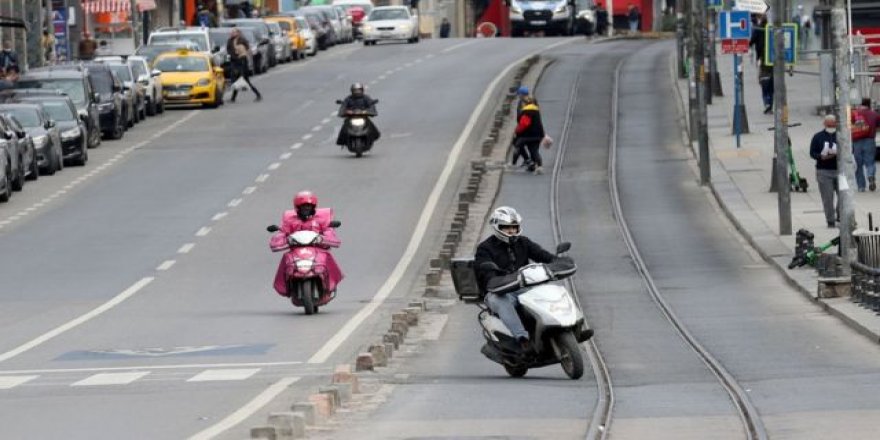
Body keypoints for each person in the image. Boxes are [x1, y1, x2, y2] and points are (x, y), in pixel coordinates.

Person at [474, 207, 559, 351]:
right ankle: (522, 339)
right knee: (500, 301)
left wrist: (558, 262)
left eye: (514, 227)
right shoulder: (485, 248)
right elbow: (486, 274)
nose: (512, 231)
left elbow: (543, 255)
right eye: (507, 228)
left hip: (524, 287)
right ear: (497, 227)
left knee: (551, 291)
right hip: (500, 291)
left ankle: (565, 326)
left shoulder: (523, 242)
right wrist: (496, 281)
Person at [271, 191, 344, 296]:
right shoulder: (290, 221)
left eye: (308, 206)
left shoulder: (321, 220)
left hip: (318, 249)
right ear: (297, 208)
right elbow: (282, 233)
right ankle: (286, 287)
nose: (306, 209)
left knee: (327, 256)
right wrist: (282, 239)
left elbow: (329, 232)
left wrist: (323, 238)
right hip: (295, 251)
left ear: (313, 207)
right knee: (286, 257)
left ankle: (330, 283)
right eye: (303, 206)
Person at [809, 115, 839, 228]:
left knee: (843, 196)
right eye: (828, 124)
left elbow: (851, 150)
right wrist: (821, 156)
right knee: (827, 198)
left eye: (832, 124)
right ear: (824, 124)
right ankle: (830, 220)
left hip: (840, 171)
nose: (831, 126)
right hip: (824, 171)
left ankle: (840, 214)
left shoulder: (841, 136)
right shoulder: (818, 137)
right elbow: (812, 153)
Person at [336, 83, 380, 147]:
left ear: (362, 90)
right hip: (351, 118)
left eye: (359, 90)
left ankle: (373, 137)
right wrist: (346, 111)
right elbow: (343, 107)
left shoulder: (366, 98)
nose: (357, 92)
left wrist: (367, 111)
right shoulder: (348, 99)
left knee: (371, 126)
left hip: (364, 117)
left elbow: (371, 106)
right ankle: (342, 141)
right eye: (355, 90)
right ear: (352, 91)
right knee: (344, 128)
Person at [226, 27, 262, 102]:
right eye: (232, 32)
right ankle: (233, 98)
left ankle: (258, 94)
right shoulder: (230, 41)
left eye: (234, 32)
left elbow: (248, 49)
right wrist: (233, 55)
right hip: (234, 62)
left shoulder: (242, 40)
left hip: (242, 62)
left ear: (238, 33)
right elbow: (228, 50)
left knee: (245, 80)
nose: (232, 33)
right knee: (236, 80)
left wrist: (245, 56)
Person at [850, 99, 879, 192]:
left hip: (856, 141)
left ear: (861, 104)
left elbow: (849, 126)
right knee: (870, 161)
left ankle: (861, 186)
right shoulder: (874, 114)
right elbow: (878, 126)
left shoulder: (854, 113)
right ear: (869, 104)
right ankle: (870, 175)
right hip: (870, 140)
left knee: (858, 164)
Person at [514, 96, 546, 174]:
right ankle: (538, 166)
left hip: (527, 135)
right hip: (538, 135)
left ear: (526, 103)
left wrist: (517, 132)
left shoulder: (527, 111)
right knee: (534, 150)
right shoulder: (536, 110)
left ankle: (517, 162)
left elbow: (524, 124)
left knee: (517, 144)